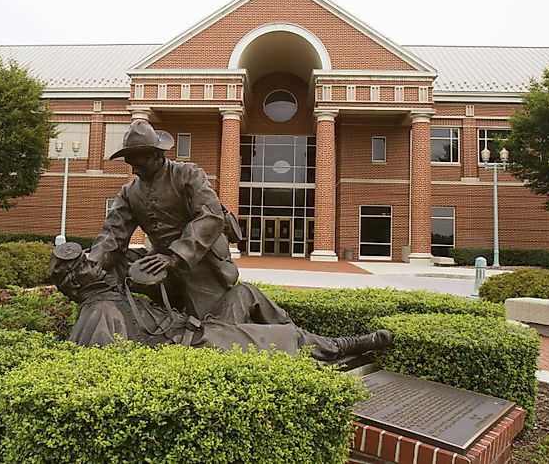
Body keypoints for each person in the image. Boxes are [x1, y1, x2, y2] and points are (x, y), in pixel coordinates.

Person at [50, 241, 394, 363]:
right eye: (85, 264)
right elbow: (110, 366)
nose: (94, 261)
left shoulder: (116, 290)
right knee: (288, 340)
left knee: (244, 293)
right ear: (75, 282)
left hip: (199, 328)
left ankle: (305, 346)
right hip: (196, 344)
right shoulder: (100, 312)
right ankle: (339, 346)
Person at [88, 119, 238, 319]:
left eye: (138, 163)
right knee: (113, 267)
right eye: (130, 164)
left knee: (212, 323)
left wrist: (175, 257)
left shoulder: (188, 174)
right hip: (158, 259)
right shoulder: (129, 191)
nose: (134, 170)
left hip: (199, 262)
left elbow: (210, 217)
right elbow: (112, 234)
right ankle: (117, 316)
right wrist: (92, 264)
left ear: (156, 155)